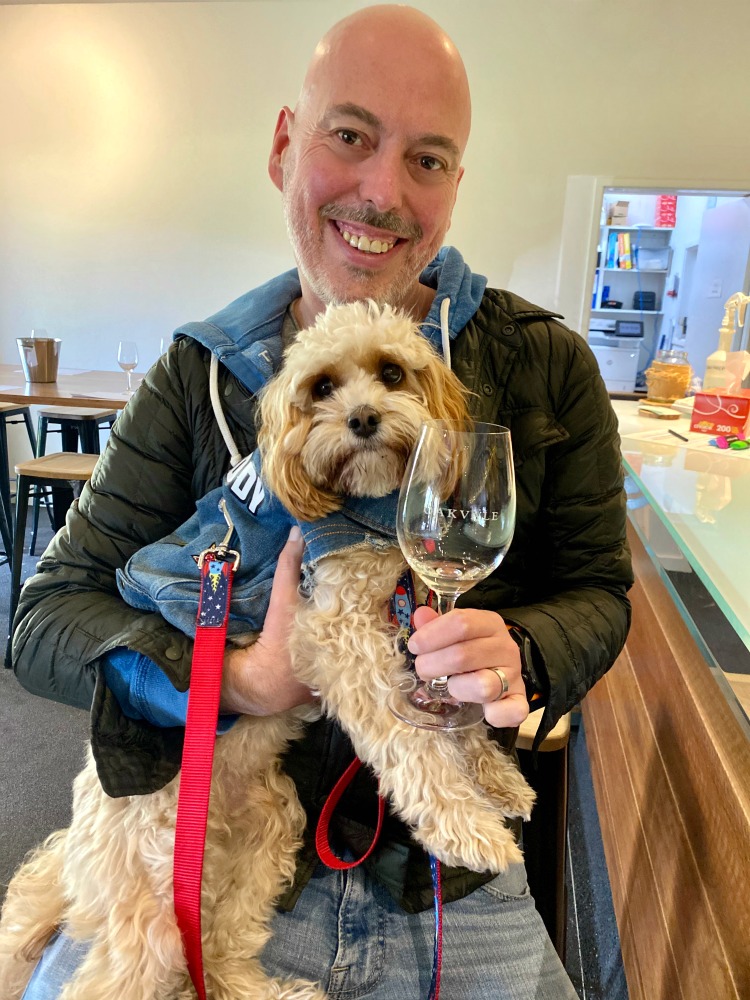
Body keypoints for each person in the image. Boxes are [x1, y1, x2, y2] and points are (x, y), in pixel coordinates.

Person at [11, 5, 632, 999]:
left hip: (451, 883)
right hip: (234, 824)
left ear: (456, 187)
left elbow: (600, 588)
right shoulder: (195, 372)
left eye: (427, 159)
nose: (383, 189)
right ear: (284, 146)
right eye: (350, 136)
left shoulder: (544, 363)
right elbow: (45, 617)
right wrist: (228, 680)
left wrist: (528, 652)